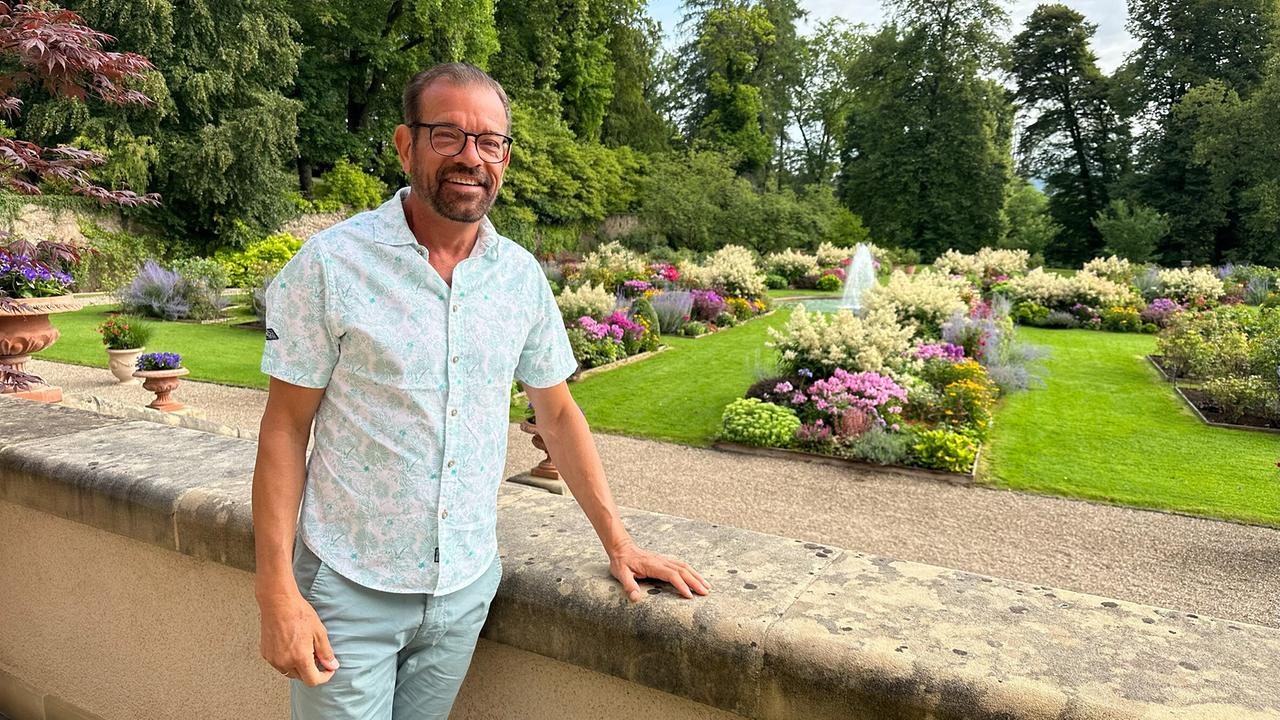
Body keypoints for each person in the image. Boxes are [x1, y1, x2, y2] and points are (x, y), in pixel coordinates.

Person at [251, 62, 710, 719]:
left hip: (465, 589)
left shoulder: (519, 278)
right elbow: (285, 429)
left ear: (505, 157)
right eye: (448, 135)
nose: (471, 157)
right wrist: (276, 593)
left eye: (489, 141)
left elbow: (557, 412)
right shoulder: (330, 267)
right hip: (349, 590)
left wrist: (619, 544)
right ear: (405, 144)